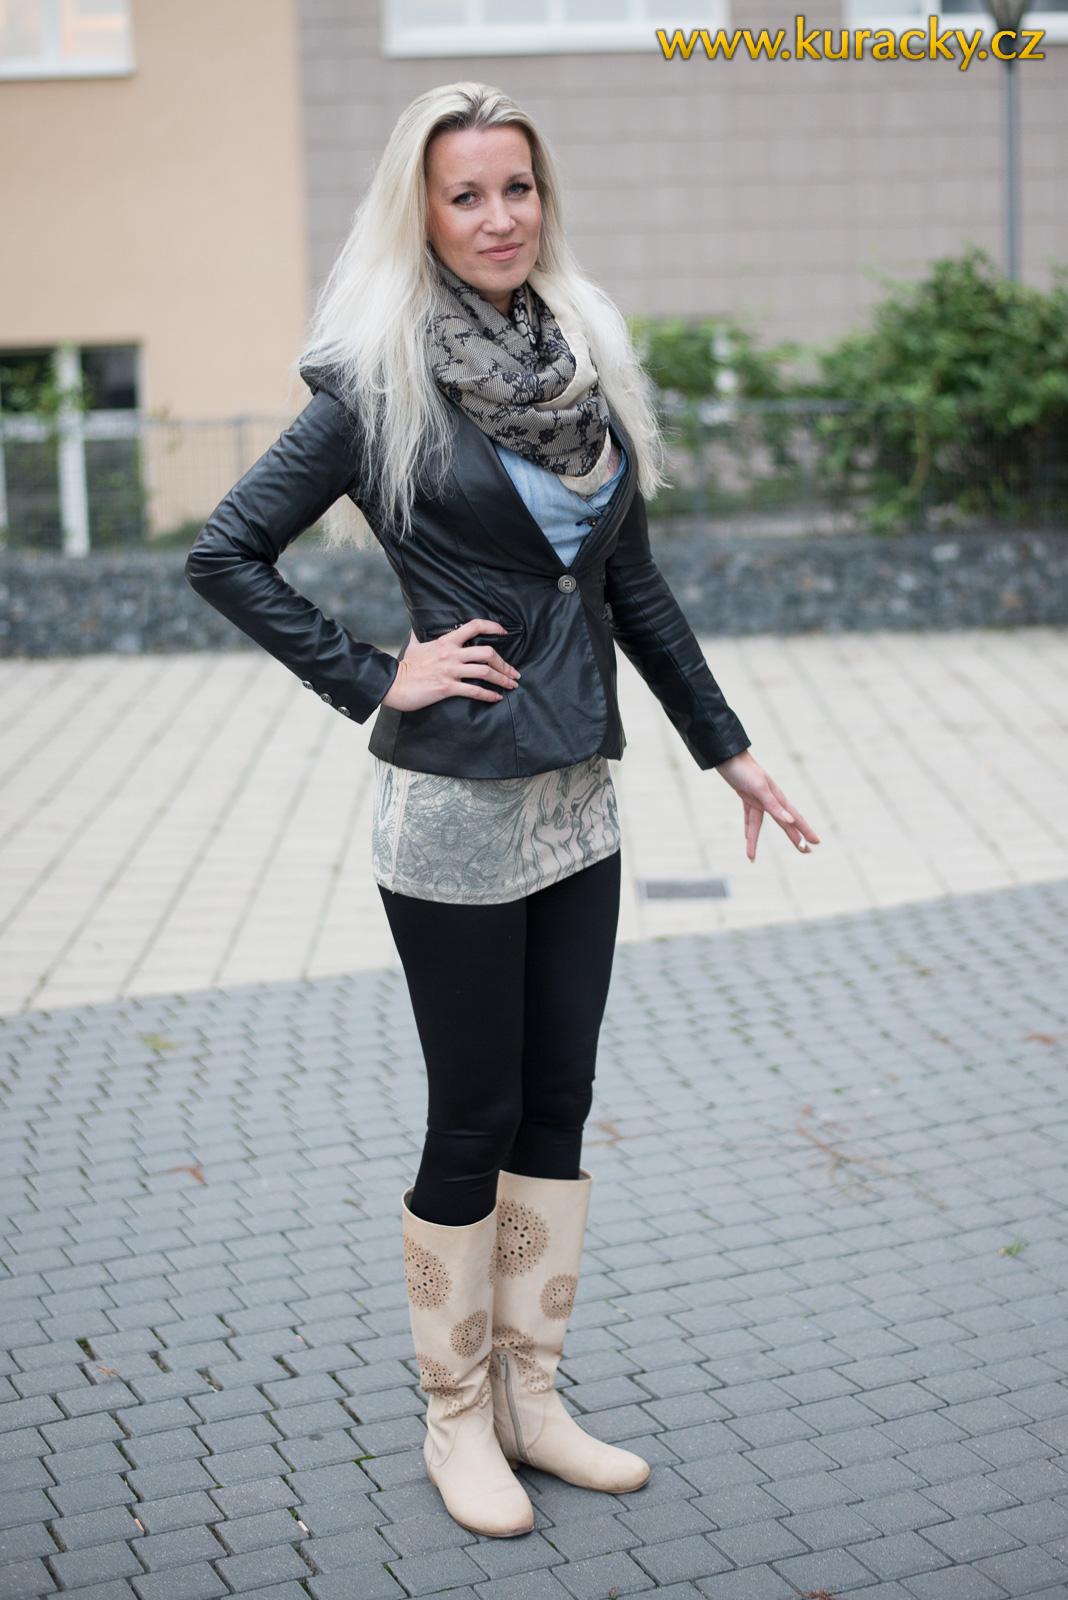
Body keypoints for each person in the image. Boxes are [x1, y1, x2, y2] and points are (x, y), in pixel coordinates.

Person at [185, 80, 820, 1542]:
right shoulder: (376, 383)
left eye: (516, 188)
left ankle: (535, 1396)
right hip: (456, 810)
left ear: (545, 198)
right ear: (420, 211)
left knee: (558, 1100)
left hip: (578, 803)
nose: (496, 217)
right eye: (464, 194)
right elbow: (226, 552)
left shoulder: (580, 355)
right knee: (472, 1113)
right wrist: (375, 674)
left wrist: (727, 750)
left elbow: (630, 582)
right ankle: (455, 1413)